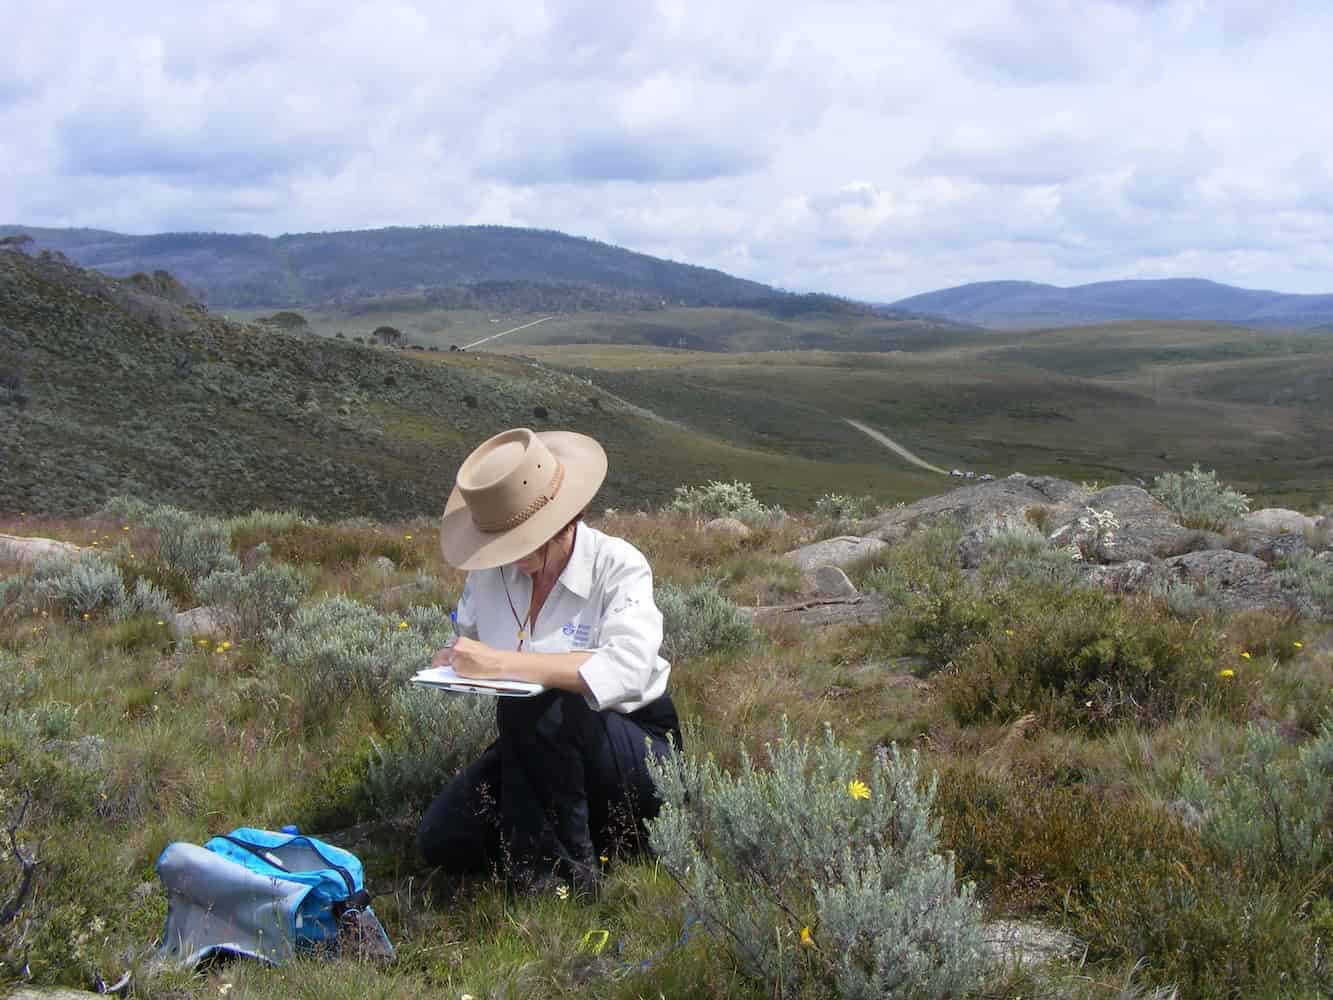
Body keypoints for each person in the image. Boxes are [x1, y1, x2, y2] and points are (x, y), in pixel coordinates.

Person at [416, 427, 681, 893]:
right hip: (534, 745)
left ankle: (560, 885)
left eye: (528, 540)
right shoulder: (489, 575)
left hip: (633, 744)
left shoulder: (618, 565)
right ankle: (585, 835)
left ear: (568, 518)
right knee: (443, 838)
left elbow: (628, 667)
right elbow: (473, 641)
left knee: (544, 705)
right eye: (505, 543)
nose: (515, 557)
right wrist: (453, 660)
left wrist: (502, 664)